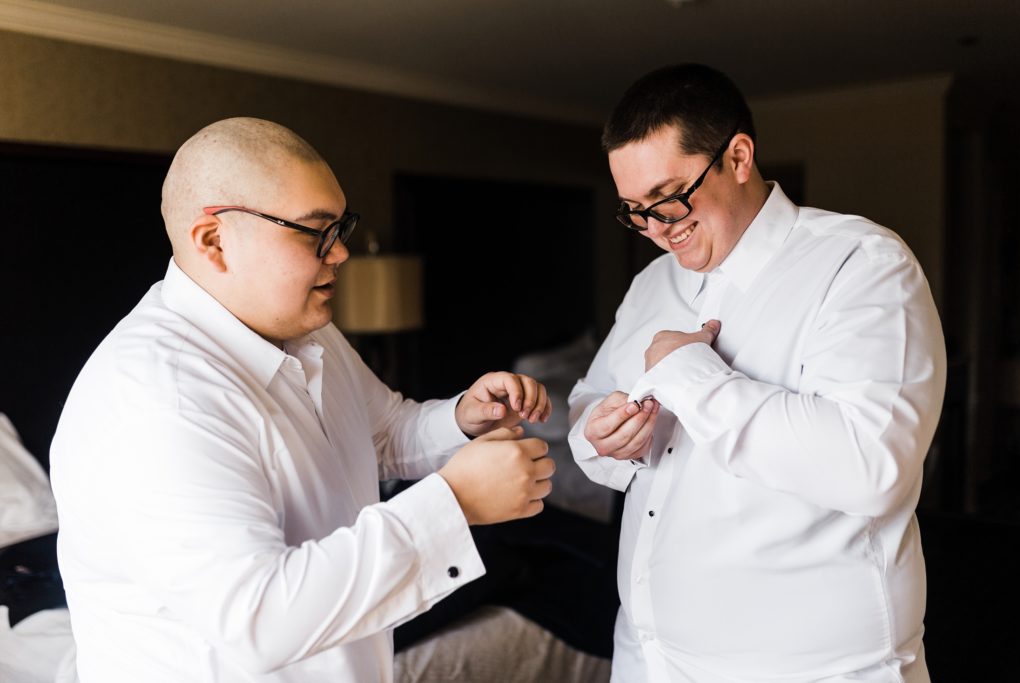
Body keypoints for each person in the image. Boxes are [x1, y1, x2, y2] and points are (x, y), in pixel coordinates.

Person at [49, 117, 556, 683]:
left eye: (341, 226)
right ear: (215, 241)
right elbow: (259, 618)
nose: (339, 253)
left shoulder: (307, 330)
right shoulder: (157, 397)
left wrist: (463, 418)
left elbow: (382, 431)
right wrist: (453, 504)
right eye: (315, 231)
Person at [567, 64, 946, 682]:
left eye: (668, 198)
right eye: (635, 211)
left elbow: (870, 464)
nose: (658, 230)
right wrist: (605, 441)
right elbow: (587, 409)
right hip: (648, 659)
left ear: (738, 156)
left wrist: (688, 372)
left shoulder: (861, 264)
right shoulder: (651, 284)